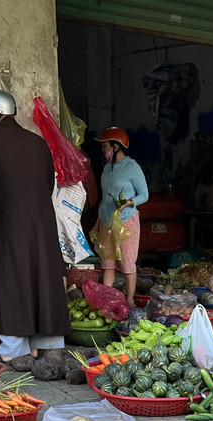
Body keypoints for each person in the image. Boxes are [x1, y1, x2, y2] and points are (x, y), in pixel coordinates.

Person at [0, 89, 71, 361]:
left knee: (12, 278)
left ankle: (15, 349)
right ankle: (47, 344)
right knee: (44, 276)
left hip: (11, 221)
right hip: (43, 220)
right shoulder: (38, 143)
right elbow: (49, 183)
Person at [96, 127, 148, 302]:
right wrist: (99, 218)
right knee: (107, 264)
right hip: (106, 221)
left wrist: (130, 202)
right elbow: (104, 197)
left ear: (116, 146)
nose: (103, 150)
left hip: (126, 220)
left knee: (126, 263)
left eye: (105, 146)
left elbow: (144, 194)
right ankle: (106, 299)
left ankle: (130, 300)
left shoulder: (133, 167)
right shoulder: (106, 169)